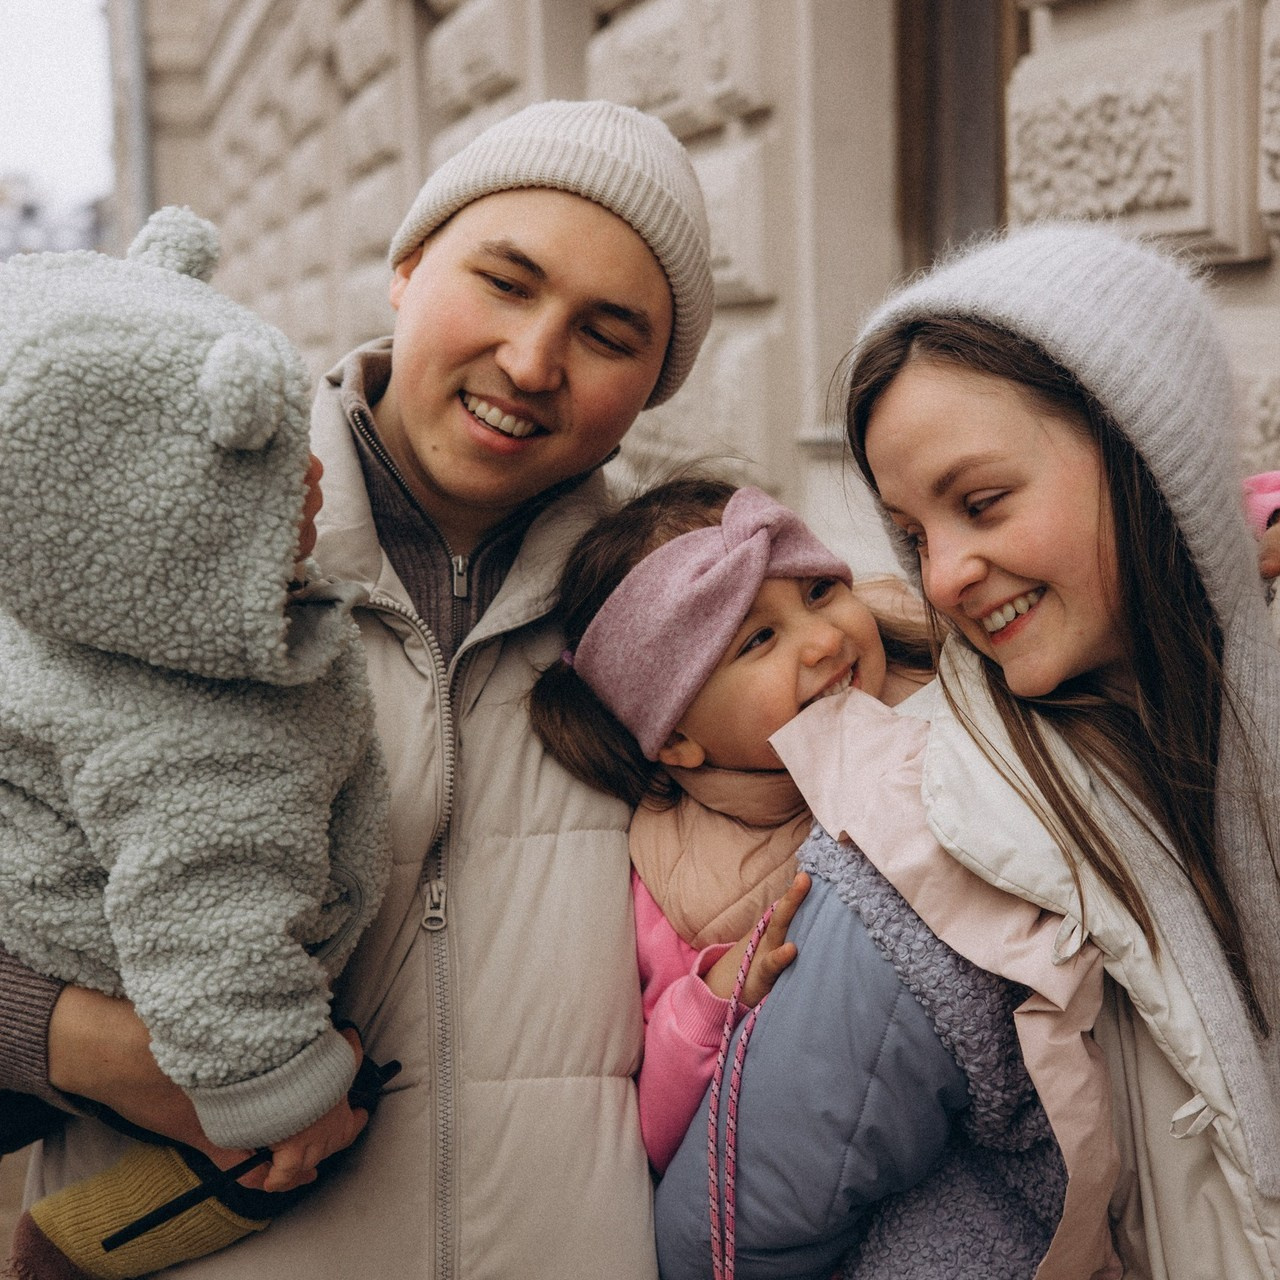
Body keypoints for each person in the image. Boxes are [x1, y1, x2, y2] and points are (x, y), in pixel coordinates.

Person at [0, 98, 715, 1278]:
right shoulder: (119, 560)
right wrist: (74, 1042)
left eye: (607, 333)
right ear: (407, 265)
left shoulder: (677, 628)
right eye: (505, 280)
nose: (531, 360)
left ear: (652, 382)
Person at [657, 223, 1280, 1279]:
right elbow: (719, 1241)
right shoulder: (920, 851)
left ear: (1148, 455)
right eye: (910, 534)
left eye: (978, 503)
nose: (942, 575)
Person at [0, 206, 393, 1280]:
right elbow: (208, 917)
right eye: (267, 464)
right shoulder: (204, 719)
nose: (307, 477)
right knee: (272, 1160)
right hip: (215, 1080)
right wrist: (291, 1089)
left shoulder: (60, 613)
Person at [527, 476, 934, 1173]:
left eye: (818, 592)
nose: (823, 640)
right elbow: (656, 1136)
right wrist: (719, 996)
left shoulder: (937, 680)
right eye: (760, 640)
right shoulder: (680, 876)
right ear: (679, 736)